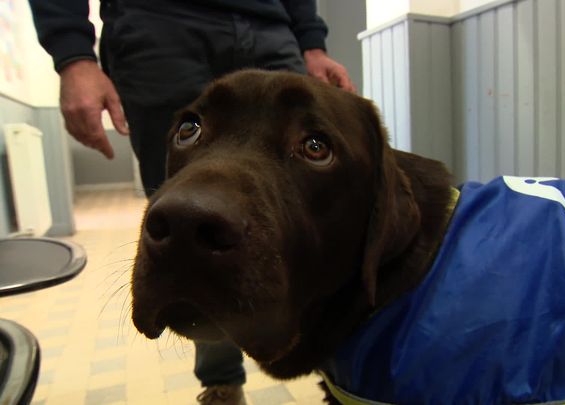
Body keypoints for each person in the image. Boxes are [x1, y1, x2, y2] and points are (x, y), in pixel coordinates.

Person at [28, 1, 356, 404]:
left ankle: (337, 377)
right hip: (155, 24)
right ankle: (222, 381)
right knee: (191, 222)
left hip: (270, 25)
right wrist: (73, 55)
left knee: (300, 220)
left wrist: (312, 43)